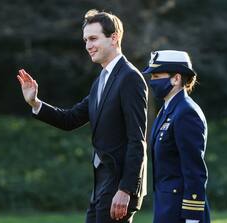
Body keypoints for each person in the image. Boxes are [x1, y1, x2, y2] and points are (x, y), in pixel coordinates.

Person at [17, 9, 148, 223]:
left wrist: (126, 189)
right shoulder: (100, 81)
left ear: (114, 38)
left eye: (93, 38)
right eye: (86, 40)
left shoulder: (130, 78)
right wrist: (35, 102)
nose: (88, 46)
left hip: (119, 187)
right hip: (101, 185)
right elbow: (70, 119)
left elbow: (137, 140)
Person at [142, 50, 210, 223]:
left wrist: (192, 218)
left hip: (182, 212)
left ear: (177, 78)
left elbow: (194, 170)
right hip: (166, 208)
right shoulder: (166, 111)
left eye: (157, 75)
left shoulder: (186, 112)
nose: (152, 81)